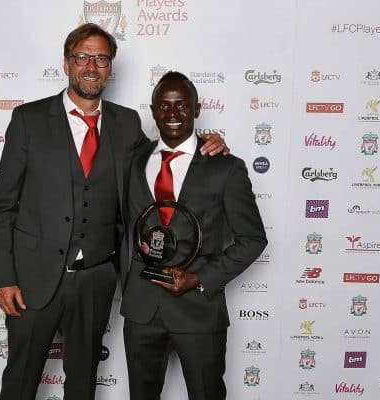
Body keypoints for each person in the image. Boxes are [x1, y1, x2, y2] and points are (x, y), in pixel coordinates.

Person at [0, 25, 227, 400]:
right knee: (20, 381)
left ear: (110, 67)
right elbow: (3, 206)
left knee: (82, 383)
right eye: (82, 56)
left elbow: (166, 157)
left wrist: (207, 143)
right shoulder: (28, 120)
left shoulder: (126, 122)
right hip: (33, 279)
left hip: (95, 281)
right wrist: (4, 278)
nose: (91, 66)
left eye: (101, 58)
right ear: (67, 63)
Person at [121, 71, 268, 400]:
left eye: (182, 105)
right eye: (164, 105)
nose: (172, 114)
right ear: (153, 110)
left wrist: (198, 278)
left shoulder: (226, 168)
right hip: (142, 309)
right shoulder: (132, 161)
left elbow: (253, 239)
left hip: (199, 308)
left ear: (197, 109)